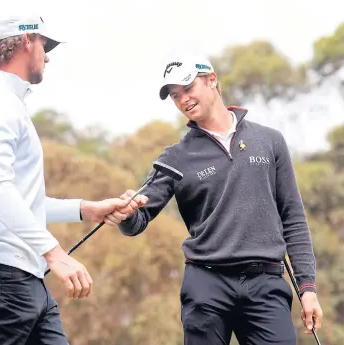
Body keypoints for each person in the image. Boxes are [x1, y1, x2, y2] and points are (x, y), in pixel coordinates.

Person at [0, 14, 147, 345]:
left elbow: (20, 201)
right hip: (2, 283)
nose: (47, 55)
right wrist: (54, 252)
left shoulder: (5, 102)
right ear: (26, 41)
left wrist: (86, 209)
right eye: (44, 44)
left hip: (22, 282)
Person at [117, 56, 323, 344]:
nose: (183, 100)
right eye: (175, 96)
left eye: (188, 88)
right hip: (206, 285)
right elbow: (137, 220)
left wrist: (307, 288)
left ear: (211, 80)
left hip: (266, 284)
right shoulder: (175, 157)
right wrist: (126, 213)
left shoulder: (270, 141)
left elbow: (292, 217)